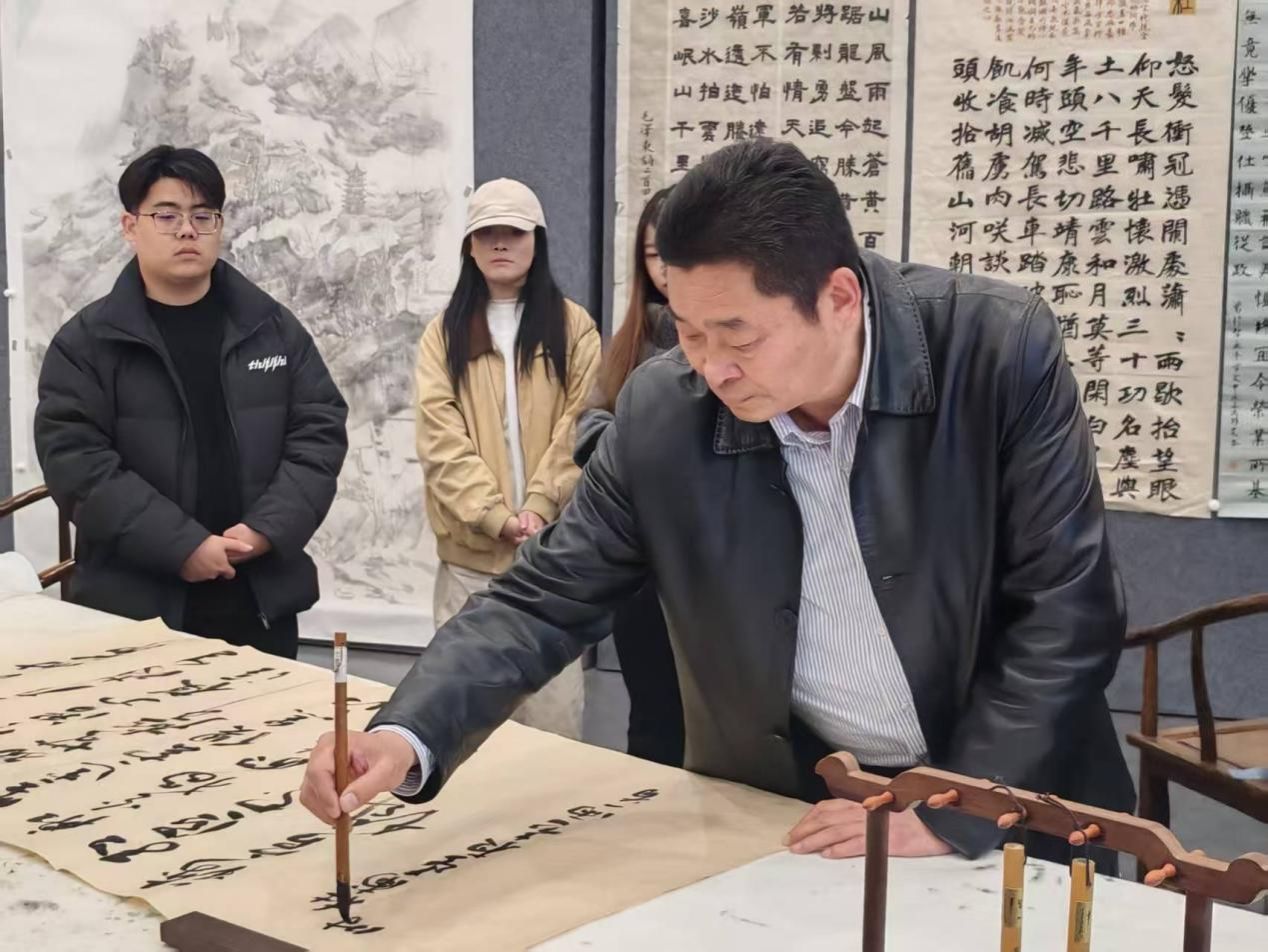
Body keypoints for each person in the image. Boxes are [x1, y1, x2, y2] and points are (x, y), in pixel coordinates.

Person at [300, 139, 1135, 869]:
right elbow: (543, 598)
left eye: (737, 336)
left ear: (839, 299)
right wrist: (405, 731)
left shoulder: (995, 351)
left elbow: (1066, 608)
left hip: (1010, 795)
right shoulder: (666, 412)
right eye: (689, 331)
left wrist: (955, 807)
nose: (710, 368)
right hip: (802, 801)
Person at [35, 145, 348, 659]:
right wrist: (182, 546)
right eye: (167, 215)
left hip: (258, 599)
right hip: (136, 610)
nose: (187, 230)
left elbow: (319, 432)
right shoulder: (86, 344)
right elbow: (79, 466)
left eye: (203, 216)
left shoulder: (269, 327)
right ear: (130, 226)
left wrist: (265, 531)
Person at [412, 177, 601, 740]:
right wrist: (495, 516)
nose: (500, 243)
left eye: (513, 232)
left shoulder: (573, 327)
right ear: (469, 246)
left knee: (554, 725)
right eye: (486, 232)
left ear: (537, 240)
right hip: (470, 563)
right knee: (465, 725)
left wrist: (540, 506)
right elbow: (440, 439)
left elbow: (581, 425)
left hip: (552, 560)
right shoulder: (443, 335)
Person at [574, 187, 684, 767]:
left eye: (675, 253)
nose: (665, 269)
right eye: (653, 255)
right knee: (652, 718)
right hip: (642, 574)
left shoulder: (729, 342)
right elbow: (590, 423)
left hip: (709, 577)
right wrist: (630, 449)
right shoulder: (630, 341)